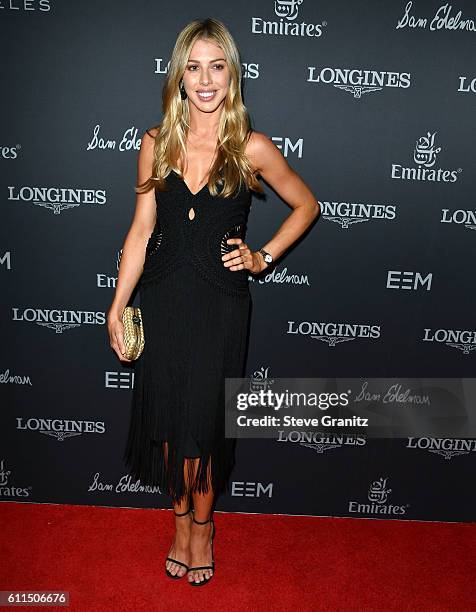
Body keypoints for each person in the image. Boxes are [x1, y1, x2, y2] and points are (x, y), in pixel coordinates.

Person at [107, 17, 320, 586]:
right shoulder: (155, 143)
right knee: (172, 428)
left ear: (232, 75)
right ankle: (179, 523)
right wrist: (117, 304)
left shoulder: (251, 147)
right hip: (161, 301)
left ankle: (203, 529)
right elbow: (140, 230)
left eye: (216, 66)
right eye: (193, 67)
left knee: (204, 425)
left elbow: (306, 205)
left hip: (221, 306)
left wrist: (262, 256)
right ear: (179, 76)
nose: (205, 80)